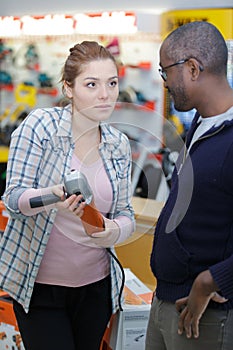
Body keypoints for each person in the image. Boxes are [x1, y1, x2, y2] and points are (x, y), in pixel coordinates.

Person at [0, 40, 135, 350]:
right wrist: (53, 196)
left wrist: (114, 230)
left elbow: (126, 213)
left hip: (96, 289)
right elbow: (14, 200)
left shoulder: (118, 144)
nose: (105, 94)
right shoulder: (40, 127)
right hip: (40, 287)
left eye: (112, 83)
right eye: (92, 84)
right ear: (68, 88)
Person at [146, 21, 233, 350]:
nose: (164, 82)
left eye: (165, 70)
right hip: (165, 300)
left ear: (193, 68)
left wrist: (209, 282)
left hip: (204, 315)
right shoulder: (200, 121)